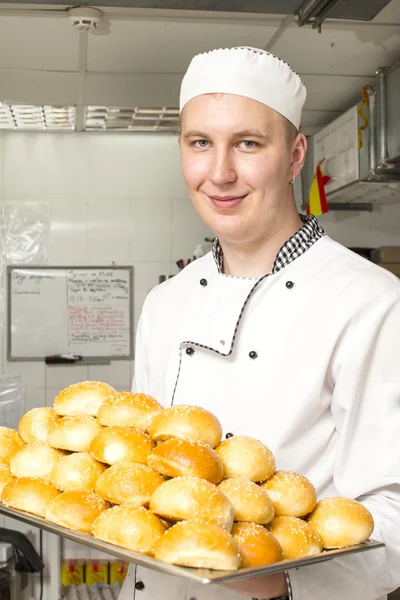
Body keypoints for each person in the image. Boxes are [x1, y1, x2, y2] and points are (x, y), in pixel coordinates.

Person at [119, 46, 400, 600]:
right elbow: (141, 466)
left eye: (248, 143)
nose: (220, 173)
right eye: (201, 143)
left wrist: (275, 576)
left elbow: (393, 512)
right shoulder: (166, 302)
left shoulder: (371, 300)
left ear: (296, 156)